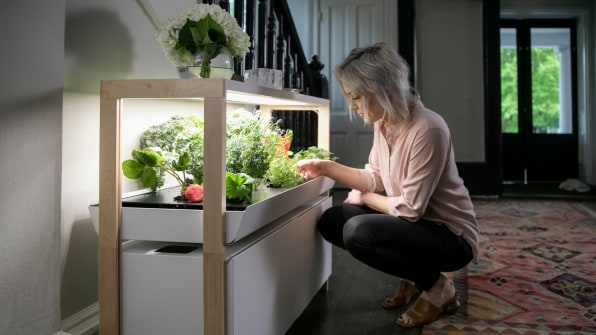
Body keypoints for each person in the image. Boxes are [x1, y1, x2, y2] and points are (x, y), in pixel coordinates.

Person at [296, 42, 479, 328]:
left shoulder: (428, 128)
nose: (352, 106)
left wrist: (366, 198)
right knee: (333, 221)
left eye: (356, 97)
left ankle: (437, 287)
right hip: (416, 226)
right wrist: (326, 167)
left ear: (385, 90)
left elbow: (408, 209)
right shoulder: (385, 123)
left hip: (450, 237)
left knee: (358, 232)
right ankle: (414, 274)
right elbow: (375, 177)